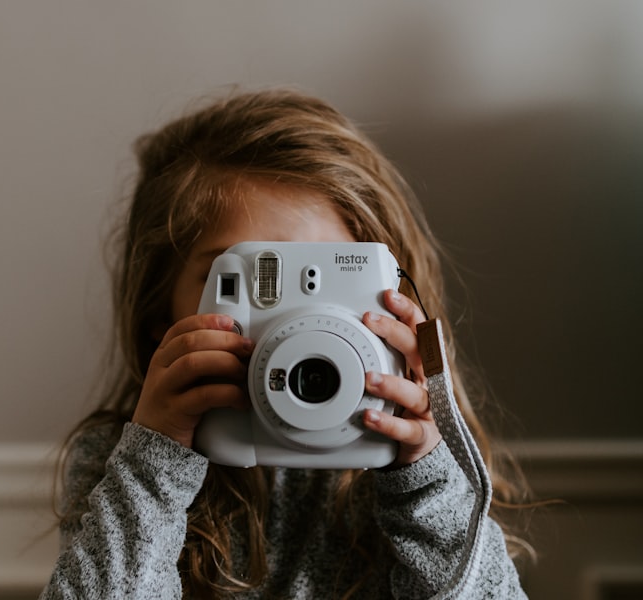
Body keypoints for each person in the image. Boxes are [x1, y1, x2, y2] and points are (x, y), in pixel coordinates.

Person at [40, 88, 531, 599]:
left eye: (319, 281)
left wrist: (427, 479)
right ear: (157, 316)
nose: (287, 327)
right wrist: (154, 464)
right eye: (244, 281)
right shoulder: (118, 459)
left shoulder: (417, 462)